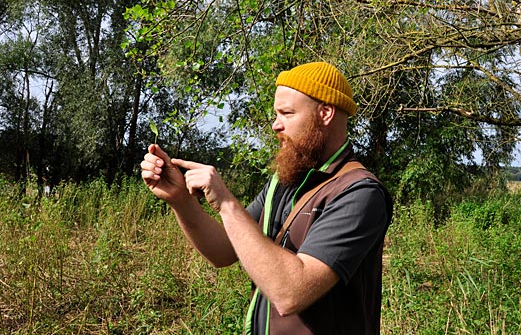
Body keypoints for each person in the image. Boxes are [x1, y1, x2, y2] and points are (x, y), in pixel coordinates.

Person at [141, 62, 393, 334]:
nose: (275, 125)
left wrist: (226, 203)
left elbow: (290, 293)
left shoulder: (359, 193)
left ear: (326, 113)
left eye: (286, 113)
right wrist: (180, 200)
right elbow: (224, 250)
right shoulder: (285, 181)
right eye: (276, 113)